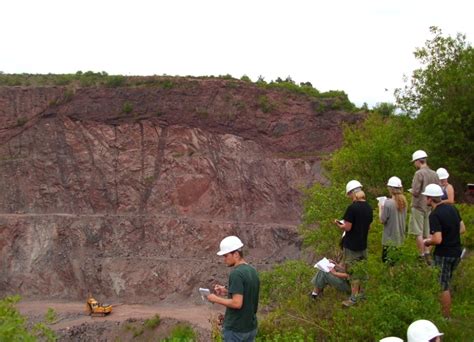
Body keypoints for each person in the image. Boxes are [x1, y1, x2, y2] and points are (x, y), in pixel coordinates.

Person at [422, 183, 466, 318]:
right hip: (457, 252)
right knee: (447, 281)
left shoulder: (434, 215)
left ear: (430, 198)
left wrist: (427, 242)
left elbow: (437, 239)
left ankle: (445, 317)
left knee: (443, 286)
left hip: (444, 254)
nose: (425, 200)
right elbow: (462, 229)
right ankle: (444, 310)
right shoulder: (452, 209)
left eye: (426, 197)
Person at [207, 236, 260, 342]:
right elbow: (246, 292)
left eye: (226, 255)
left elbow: (237, 303)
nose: (224, 259)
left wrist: (214, 299)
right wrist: (226, 291)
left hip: (236, 330)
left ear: (236, 254)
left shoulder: (236, 273)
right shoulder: (252, 271)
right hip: (250, 328)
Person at [335, 180, 373, 307]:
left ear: (351, 193)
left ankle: (353, 299)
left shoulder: (352, 208)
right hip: (363, 244)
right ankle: (363, 295)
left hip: (351, 246)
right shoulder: (368, 207)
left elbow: (348, 228)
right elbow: (368, 227)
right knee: (363, 270)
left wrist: (339, 225)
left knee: (353, 273)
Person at [409, 150, 439, 263]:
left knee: (418, 232)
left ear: (418, 161)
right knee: (427, 232)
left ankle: (421, 255)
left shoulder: (419, 174)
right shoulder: (434, 173)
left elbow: (416, 191)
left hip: (418, 205)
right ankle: (427, 254)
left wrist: (411, 191)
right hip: (430, 206)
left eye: (414, 162)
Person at [379, 176, 407, 263]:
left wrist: (380, 207)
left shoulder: (388, 203)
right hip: (400, 239)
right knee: (397, 264)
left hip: (389, 241)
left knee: (389, 265)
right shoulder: (404, 202)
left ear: (390, 189)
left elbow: (382, 220)